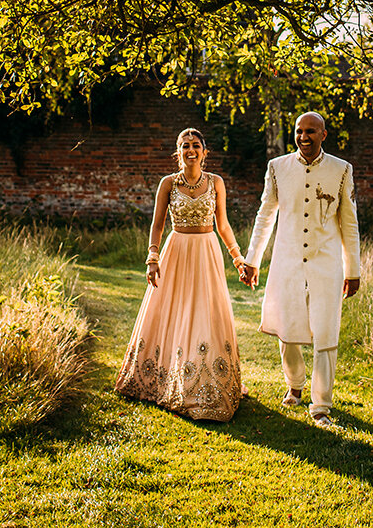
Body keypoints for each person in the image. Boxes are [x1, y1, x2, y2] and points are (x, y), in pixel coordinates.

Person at [239, 112, 360, 429]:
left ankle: (321, 404)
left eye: (310, 132)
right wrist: (253, 260)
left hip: (326, 262)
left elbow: (349, 223)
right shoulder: (278, 168)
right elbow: (265, 215)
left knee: (325, 330)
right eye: (298, 131)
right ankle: (295, 383)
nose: (303, 137)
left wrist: (353, 269)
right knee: (286, 327)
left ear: (324, 134)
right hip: (287, 259)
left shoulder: (341, 170)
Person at [115, 127, 245, 421]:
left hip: (207, 252)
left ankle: (208, 382)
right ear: (178, 152)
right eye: (185, 145)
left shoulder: (216, 182)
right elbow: (158, 224)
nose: (190, 150)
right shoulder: (168, 184)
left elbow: (223, 224)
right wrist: (152, 256)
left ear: (204, 151)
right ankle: (167, 379)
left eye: (196, 145)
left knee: (206, 313)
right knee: (175, 313)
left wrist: (237, 257)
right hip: (177, 252)